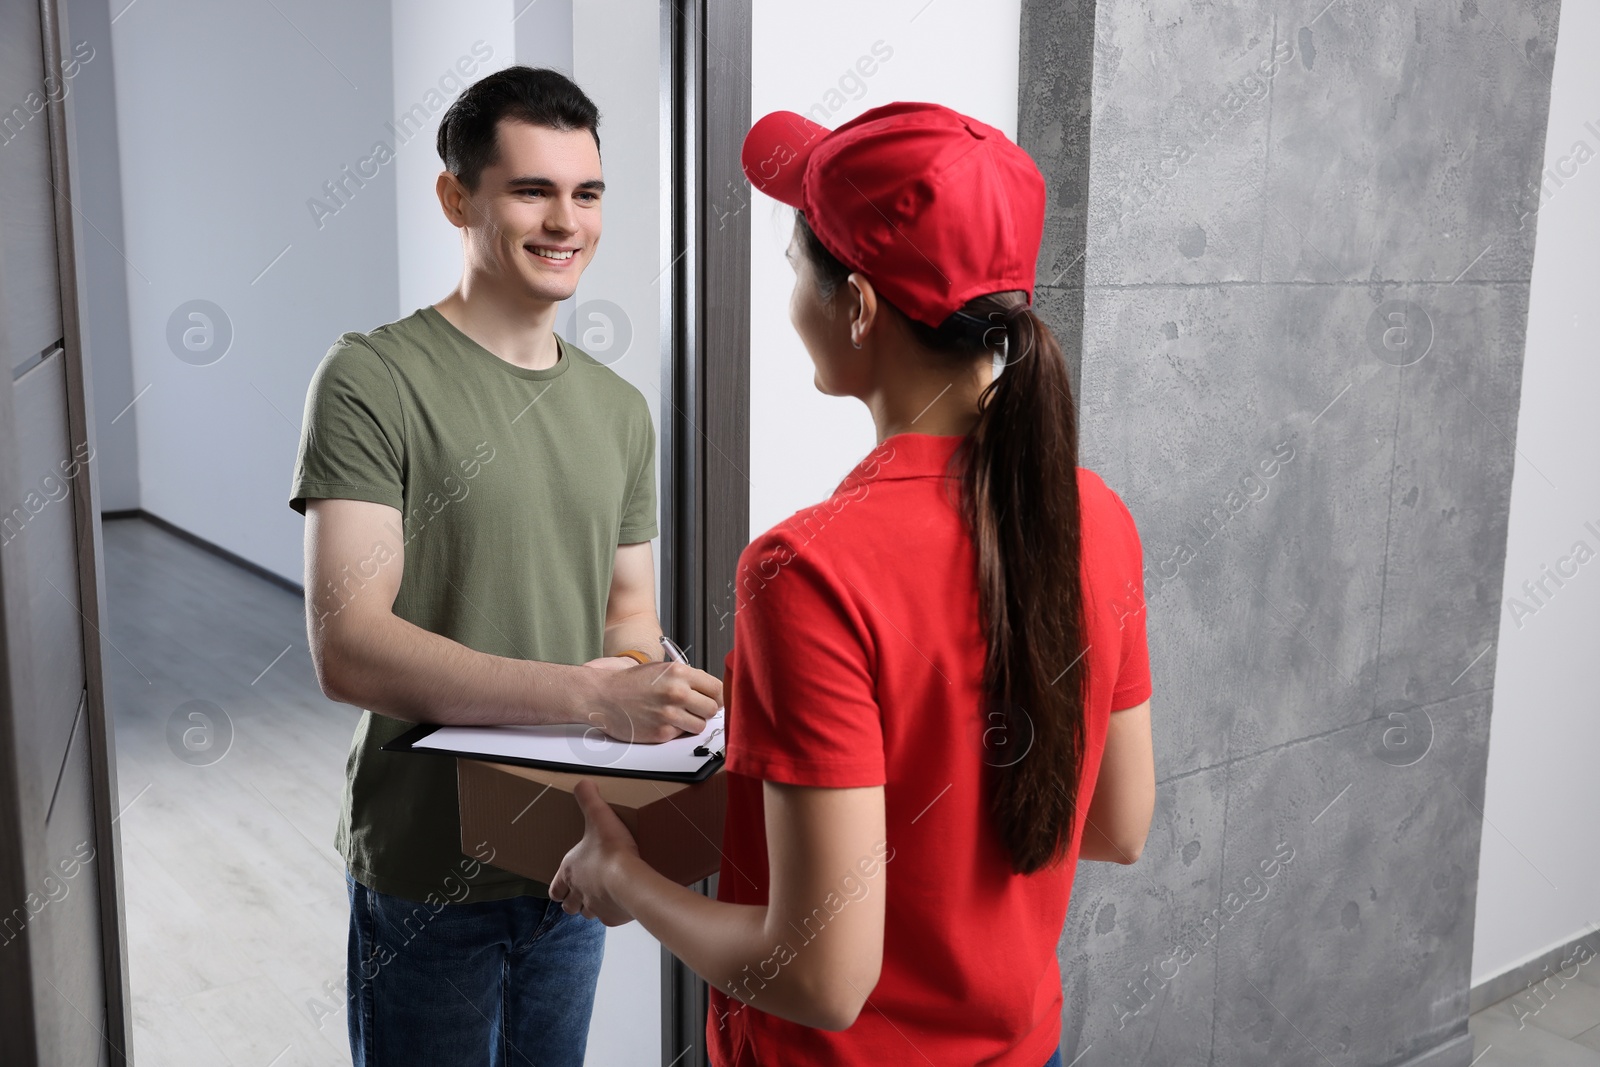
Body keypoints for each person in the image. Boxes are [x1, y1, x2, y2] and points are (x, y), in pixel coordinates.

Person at [548, 101, 1157, 1066]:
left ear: (859, 306)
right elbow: (1118, 823)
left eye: (796, 270)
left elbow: (822, 981)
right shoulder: (1096, 515)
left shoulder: (806, 571)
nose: (792, 295)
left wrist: (626, 883)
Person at [289, 66, 722, 1066]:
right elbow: (348, 647)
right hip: (425, 865)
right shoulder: (373, 377)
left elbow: (625, 614)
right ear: (458, 198)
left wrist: (652, 720)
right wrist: (592, 700)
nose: (564, 220)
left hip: (568, 860)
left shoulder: (619, 410)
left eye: (586, 192)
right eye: (531, 189)